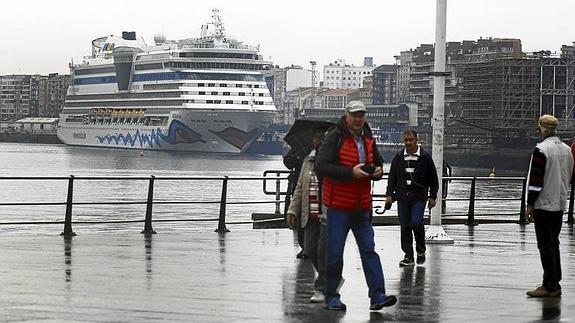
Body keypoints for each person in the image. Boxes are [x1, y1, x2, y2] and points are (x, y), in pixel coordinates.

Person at [315, 100, 397, 311]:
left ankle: (378, 295)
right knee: (335, 253)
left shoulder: (369, 138)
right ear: (346, 116)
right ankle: (331, 295)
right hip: (338, 206)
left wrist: (377, 172)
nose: (358, 119)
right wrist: (350, 173)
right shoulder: (335, 137)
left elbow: (378, 162)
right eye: (354, 115)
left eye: (361, 115)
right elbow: (321, 166)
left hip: (362, 207)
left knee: (369, 250)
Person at [525, 114, 573, 298]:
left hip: (543, 204)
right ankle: (554, 281)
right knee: (554, 243)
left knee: (544, 245)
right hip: (560, 202)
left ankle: (550, 285)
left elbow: (536, 181)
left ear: (542, 129)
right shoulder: (567, 150)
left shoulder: (541, 150)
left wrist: (530, 204)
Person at [385, 129, 439, 267]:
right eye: (406, 140)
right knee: (405, 226)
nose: (408, 143)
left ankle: (421, 250)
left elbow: (433, 178)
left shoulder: (425, 157)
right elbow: (392, 177)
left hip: (419, 196)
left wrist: (432, 196)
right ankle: (408, 256)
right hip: (402, 197)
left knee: (415, 222)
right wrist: (389, 195)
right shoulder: (398, 157)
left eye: (411, 140)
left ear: (416, 140)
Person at [286, 132, 328, 303]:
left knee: (324, 249)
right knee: (310, 248)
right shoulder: (306, 161)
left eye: (321, 138)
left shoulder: (332, 160)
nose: (317, 141)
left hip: (326, 213)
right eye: (316, 138)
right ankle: (329, 277)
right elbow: (300, 187)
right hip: (309, 211)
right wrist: (292, 210)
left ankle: (325, 286)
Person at [283, 148, 307, 259]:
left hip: (315, 189)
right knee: (301, 219)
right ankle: (304, 246)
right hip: (300, 186)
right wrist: (296, 158)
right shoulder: (299, 148)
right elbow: (288, 162)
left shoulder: (323, 149)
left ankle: (309, 246)